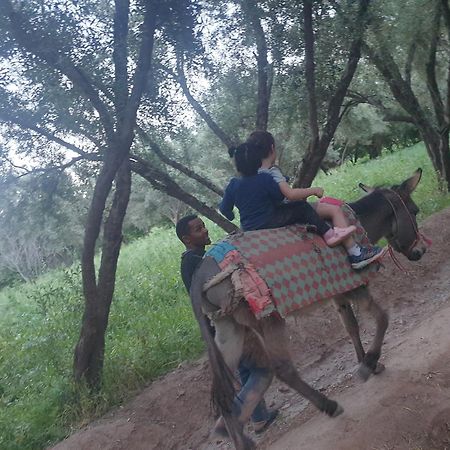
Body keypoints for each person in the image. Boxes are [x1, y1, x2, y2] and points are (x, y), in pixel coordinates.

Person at [175, 215, 278, 435]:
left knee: (247, 369)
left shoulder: (193, 260)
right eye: (198, 229)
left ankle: (259, 418)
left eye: (203, 226)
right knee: (261, 370)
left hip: (218, 329)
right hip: (227, 328)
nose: (204, 230)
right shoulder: (196, 262)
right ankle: (230, 420)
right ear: (186, 238)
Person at [246, 130, 386, 269]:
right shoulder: (272, 171)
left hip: (265, 215)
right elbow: (291, 194)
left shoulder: (251, 174)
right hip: (282, 211)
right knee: (334, 210)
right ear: (272, 148)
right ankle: (355, 252)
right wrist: (314, 190)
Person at [219, 141, 356, 250]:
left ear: (237, 166)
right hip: (271, 220)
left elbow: (224, 208)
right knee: (302, 207)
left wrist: (231, 216)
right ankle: (329, 234)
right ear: (259, 161)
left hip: (248, 226)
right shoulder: (265, 178)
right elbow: (279, 197)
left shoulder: (233, 184)